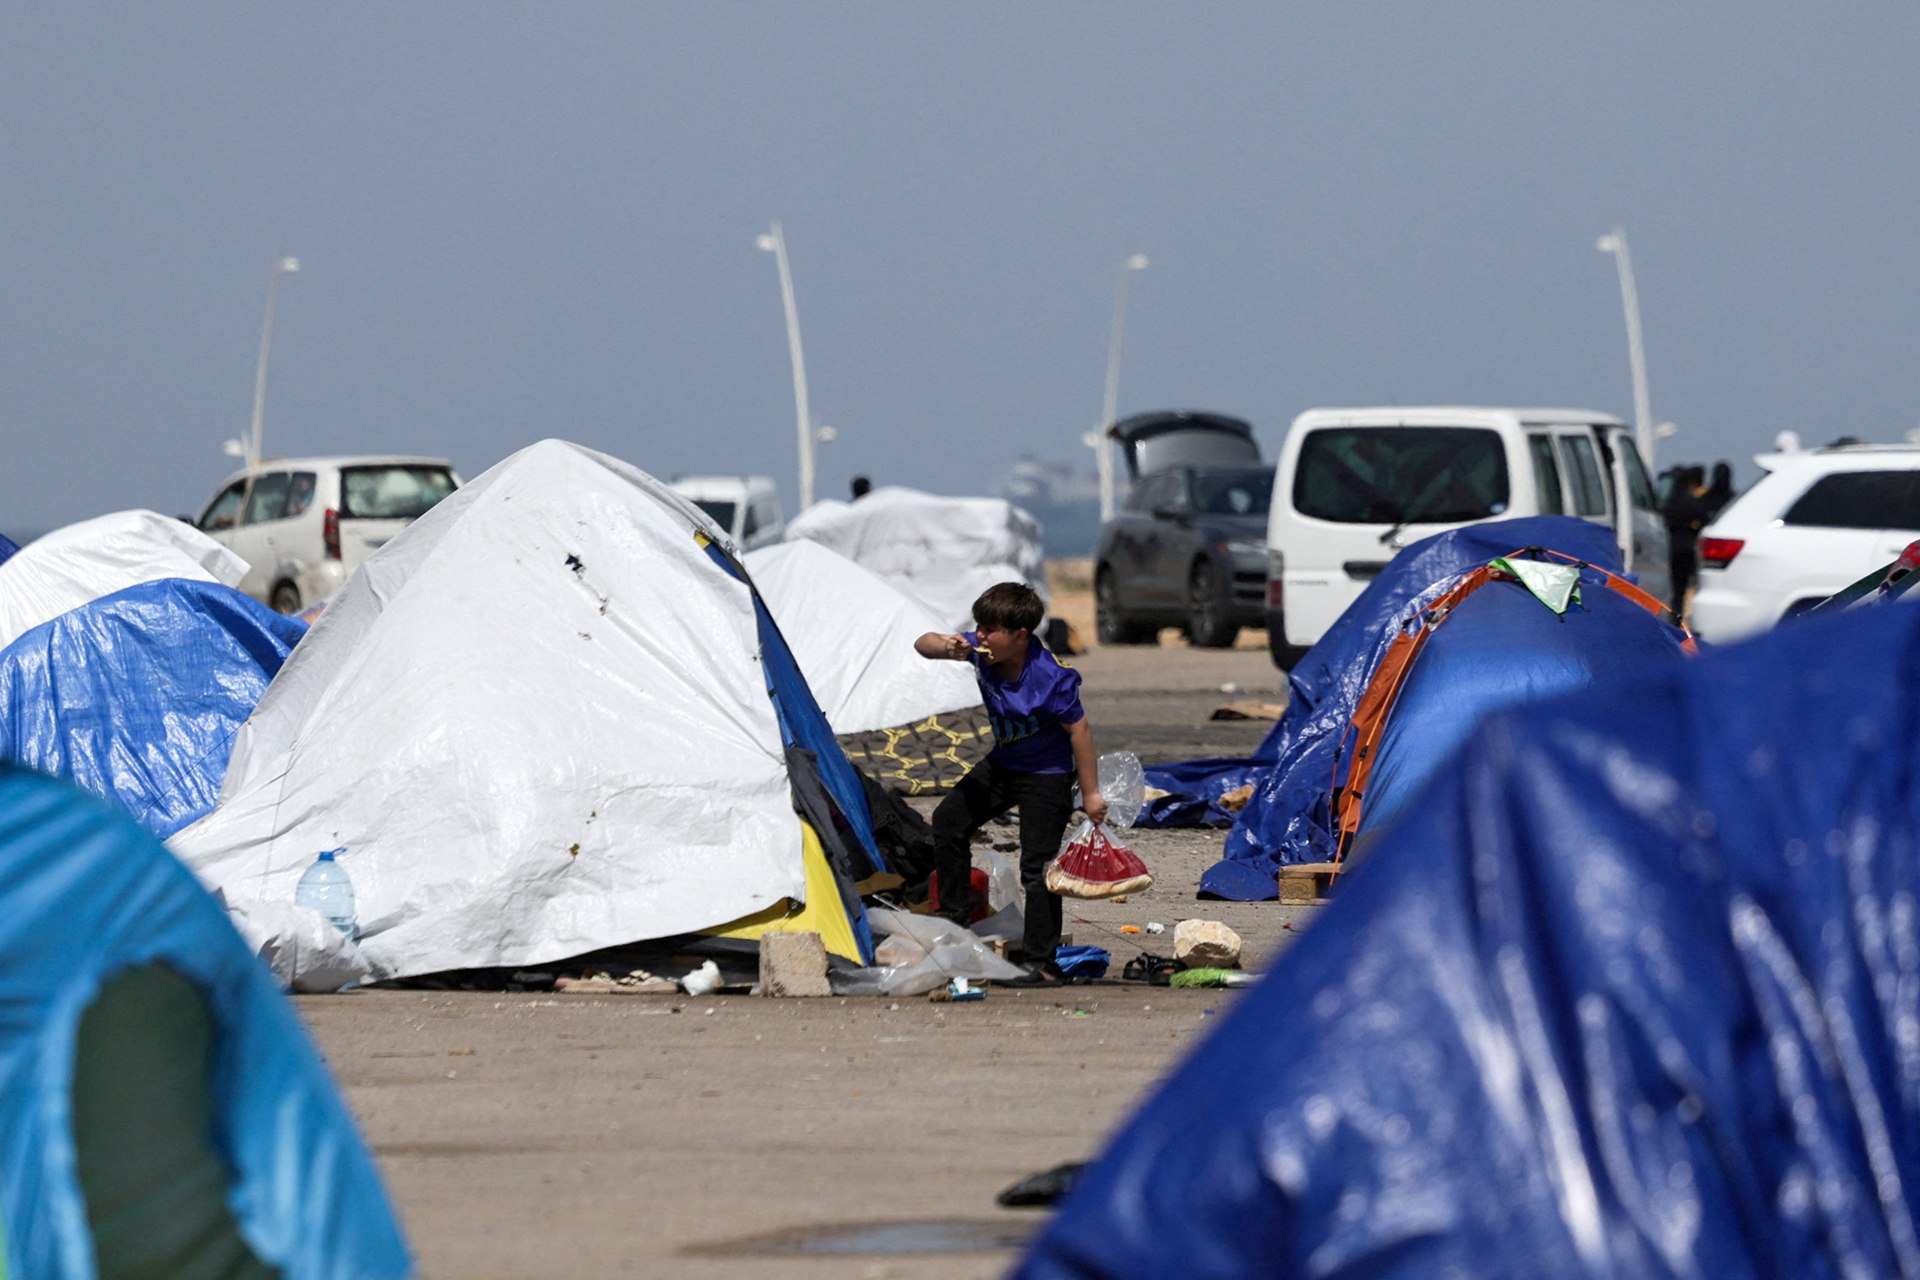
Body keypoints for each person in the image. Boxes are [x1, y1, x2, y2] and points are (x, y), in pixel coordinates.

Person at [914, 582, 1105, 985]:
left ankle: (1042, 962)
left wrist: (1090, 793)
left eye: (991, 630)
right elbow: (922, 643)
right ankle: (954, 925)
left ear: (1021, 635)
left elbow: (1080, 732)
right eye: (978, 627)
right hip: (1002, 765)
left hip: (1046, 777)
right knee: (949, 821)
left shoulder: (1051, 677)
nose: (981, 636)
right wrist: (945, 646)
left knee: (1037, 867)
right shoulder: (981, 651)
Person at [1663, 464, 1709, 617]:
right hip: (1688, 547)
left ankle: (1673, 615)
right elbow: (1703, 519)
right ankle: (1681, 617)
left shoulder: (1669, 502)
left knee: (1673, 587)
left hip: (1671, 548)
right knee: (1685, 587)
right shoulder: (1692, 502)